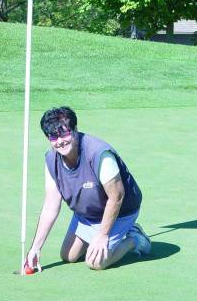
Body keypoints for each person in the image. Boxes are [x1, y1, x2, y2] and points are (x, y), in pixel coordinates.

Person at [25, 106, 151, 272]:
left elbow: (117, 196)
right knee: (68, 256)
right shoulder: (51, 159)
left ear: (75, 130)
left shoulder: (98, 153)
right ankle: (104, 236)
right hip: (88, 214)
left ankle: (135, 238)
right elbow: (50, 206)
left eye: (64, 133)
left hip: (121, 211)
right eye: (53, 136)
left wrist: (102, 235)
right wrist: (35, 248)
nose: (59, 141)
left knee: (96, 263)